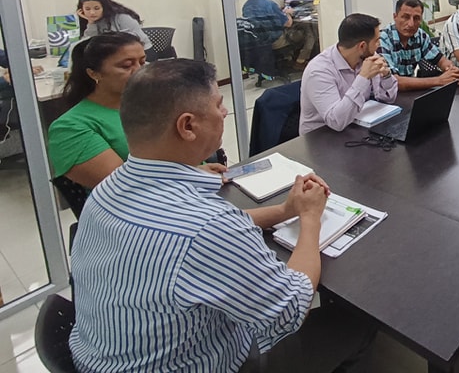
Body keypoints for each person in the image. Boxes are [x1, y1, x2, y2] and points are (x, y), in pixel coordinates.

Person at [69, 59, 372, 373]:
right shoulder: (209, 226)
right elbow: (293, 308)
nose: (225, 112)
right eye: (218, 104)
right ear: (187, 126)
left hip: (101, 358)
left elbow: (196, 231)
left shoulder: (106, 190)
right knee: (353, 323)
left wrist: (284, 211)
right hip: (196, 365)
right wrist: (309, 218)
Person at [46, 33, 146, 189]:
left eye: (143, 62)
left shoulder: (151, 105)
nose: (139, 71)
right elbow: (125, 186)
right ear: (94, 73)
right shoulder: (70, 128)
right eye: (127, 66)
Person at [299, 13, 397, 134]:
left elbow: (387, 99)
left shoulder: (366, 56)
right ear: (362, 46)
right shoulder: (319, 71)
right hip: (322, 136)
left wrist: (386, 76)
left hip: (354, 127)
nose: (379, 45)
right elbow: (336, 122)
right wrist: (363, 78)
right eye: (376, 41)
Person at [380, 0, 459, 91]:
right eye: (406, 17)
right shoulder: (382, 40)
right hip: (386, 95)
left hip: (410, 93)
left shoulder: (420, 35)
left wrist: (451, 72)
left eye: (416, 18)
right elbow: (393, 82)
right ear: (395, 17)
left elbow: (441, 60)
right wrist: (439, 80)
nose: (411, 24)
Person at [242, 0, 316, 67]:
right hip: (275, 42)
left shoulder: (246, 5)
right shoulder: (270, 4)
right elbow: (288, 23)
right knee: (308, 30)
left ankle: (293, 59)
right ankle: (300, 61)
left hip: (256, 41)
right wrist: (287, 13)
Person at [76, 0, 154, 61]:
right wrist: (91, 23)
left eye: (97, 8)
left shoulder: (122, 17)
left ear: (104, 7)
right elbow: (87, 43)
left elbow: (135, 39)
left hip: (141, 53)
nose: (92, 12)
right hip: (113, 56)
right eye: (87, 9)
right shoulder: (88, 22)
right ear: (82, 10)